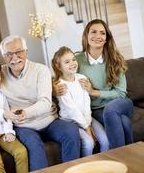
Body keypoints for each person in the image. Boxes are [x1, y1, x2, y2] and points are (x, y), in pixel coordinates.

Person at [0, 36, 80, 171]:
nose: (14, 57)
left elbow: (45, 102)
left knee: (71, 131)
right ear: (4, 57)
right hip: (24, 126)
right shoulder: (0, 74)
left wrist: (25, 112)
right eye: (9, 54)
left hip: (49, 121)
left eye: (19, 52)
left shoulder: (41, 70)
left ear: (26, 52)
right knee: (33, 145)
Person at [54, 19, 133, 149]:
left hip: (120, 102)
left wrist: (93, 92)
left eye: (102, 33)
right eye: (93, 32)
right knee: (124, 122)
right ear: (86, 35)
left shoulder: (115, 59)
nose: (98, 36)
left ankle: (118, 157)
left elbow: (121, 92)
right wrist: (54, 89)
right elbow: (63, 77)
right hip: (96, 109)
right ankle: (131, 157)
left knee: (110, 110)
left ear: (106, 38)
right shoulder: (77, 59)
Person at [51, 46, 109, 156]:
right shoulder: (60, 85)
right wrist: (87, 128)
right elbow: (72, 110)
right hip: (71, 121)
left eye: (73, 59)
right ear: (59, 66)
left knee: (105, 140)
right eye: (67, 62)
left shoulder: (82, 78)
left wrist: (88, 123)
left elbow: (87, 104)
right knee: (89, 143)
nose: (72, 63)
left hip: (87, 117)